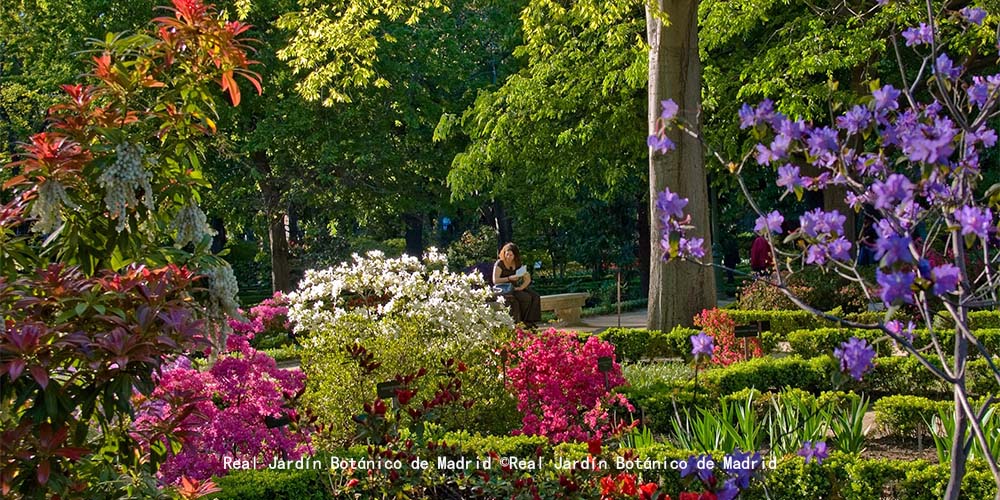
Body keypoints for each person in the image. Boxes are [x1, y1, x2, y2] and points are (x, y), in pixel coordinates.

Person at [493, 242, 541, 327]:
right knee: (526, 298)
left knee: (535, 296)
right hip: (504, 289)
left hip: (515, 288)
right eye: (507, 254)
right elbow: (495, 280)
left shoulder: (517, 263)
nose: (508, 257)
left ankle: (531, 321)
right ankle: (523, 321)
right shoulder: (500, 263)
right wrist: (509, 278)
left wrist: (521, 287)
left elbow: (527, 278)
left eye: (511, 255)